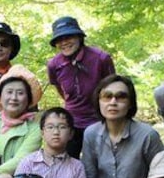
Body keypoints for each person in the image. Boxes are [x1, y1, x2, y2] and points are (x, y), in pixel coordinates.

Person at [82, 74, 164, 178]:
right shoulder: (91, 134)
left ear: (130, 103)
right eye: (107, 96)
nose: (113, 102)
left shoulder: (147, 135)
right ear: (99, 101)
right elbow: (88, 177)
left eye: (121, 96)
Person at [46, 17, 115, 158]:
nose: (64, 42)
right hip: (72, 122)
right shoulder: (54, 65)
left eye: (69, 36)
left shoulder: (101, 58)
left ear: (79, 36)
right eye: (60, 39)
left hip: (99, 121)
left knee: (101, 164)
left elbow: (112, 89)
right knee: (67, 163)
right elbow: (60, 89)